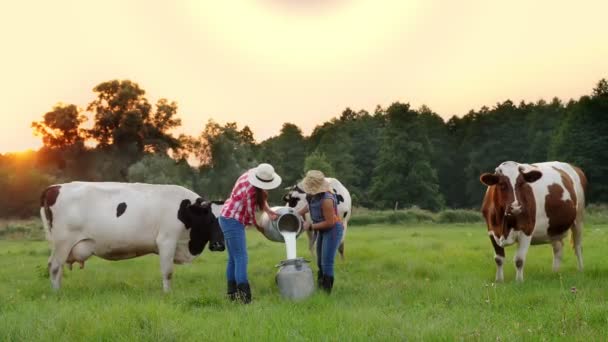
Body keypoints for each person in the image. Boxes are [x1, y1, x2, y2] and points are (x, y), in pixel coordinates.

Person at [218, 163, 281, 304]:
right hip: (233, 220)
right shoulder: (251, 191)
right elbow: (251, 215)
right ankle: (245, 298)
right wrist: (260, 228)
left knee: (233, 258)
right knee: (241, 257)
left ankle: (232, 294)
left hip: (225, 216)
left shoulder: (250, 174)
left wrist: (269, 211)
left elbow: (261, 199)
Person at [298, 170, 344, 294]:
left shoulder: (327, 199)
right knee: (319, 261)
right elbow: (310, 206)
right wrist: (298, 213)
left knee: (327, 261)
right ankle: (320, 285)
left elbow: (330, 222)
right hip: (322, 229)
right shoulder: (312, 195)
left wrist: (311, 226)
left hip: (333, 229)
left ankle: (326, 292)